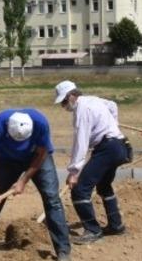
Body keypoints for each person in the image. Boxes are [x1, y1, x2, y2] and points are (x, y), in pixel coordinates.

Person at [0, 108, 72, 261]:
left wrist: (23, 180)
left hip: (37, 158)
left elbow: (41, 154)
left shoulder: (41, 123)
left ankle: (63, 249)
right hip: (7, 160)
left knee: (51, 198)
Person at [54, 79, 128, 243]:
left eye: (65, 101)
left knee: (80, 189)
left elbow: (81, 142)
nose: (64, 106)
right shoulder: (92, 100)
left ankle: (93, 231)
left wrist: (74, 172)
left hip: (107, 148)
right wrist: (113, 124)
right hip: (118, 145)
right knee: (103, 186)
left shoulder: (82, 110)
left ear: (73, 95)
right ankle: (116, 226)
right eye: (61, 103)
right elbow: (112, 105)